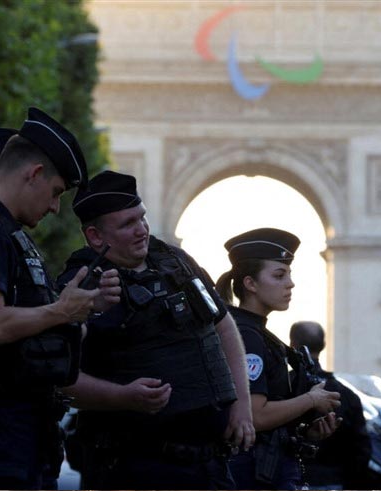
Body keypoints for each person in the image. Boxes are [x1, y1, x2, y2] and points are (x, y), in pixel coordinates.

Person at [0, 107, 121, 490]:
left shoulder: (6, 235)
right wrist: (61, 310)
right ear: (33, 174)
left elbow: (27, 326)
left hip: (19, 435)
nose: (55, 207)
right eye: (56, 191)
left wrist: (79, 309)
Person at [56, 170, 255, 490]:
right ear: (95, 236)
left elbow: (223, 326)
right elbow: (59, 376)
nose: (142, 230)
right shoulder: (80, 284)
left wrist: (242, 405)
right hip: (134, 467)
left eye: (142, 217)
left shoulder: (175, 260)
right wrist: (122, 397)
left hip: (210, 465)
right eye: (127, 224)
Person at [215, 228, 342, 490]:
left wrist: (305, 430)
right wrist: (311, 400)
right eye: (279, 275)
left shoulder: (256, 333)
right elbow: (254, 416)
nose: (290, 283)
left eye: (289, 274)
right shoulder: (247, 336)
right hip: (255, 474)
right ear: (250, 284)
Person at [289, 321, 371, 490]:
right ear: (323, 345)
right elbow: (361, 450)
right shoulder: (347, 395)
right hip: (333, 481)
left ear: (292, 344)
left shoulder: (282, 387)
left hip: (288, 480)